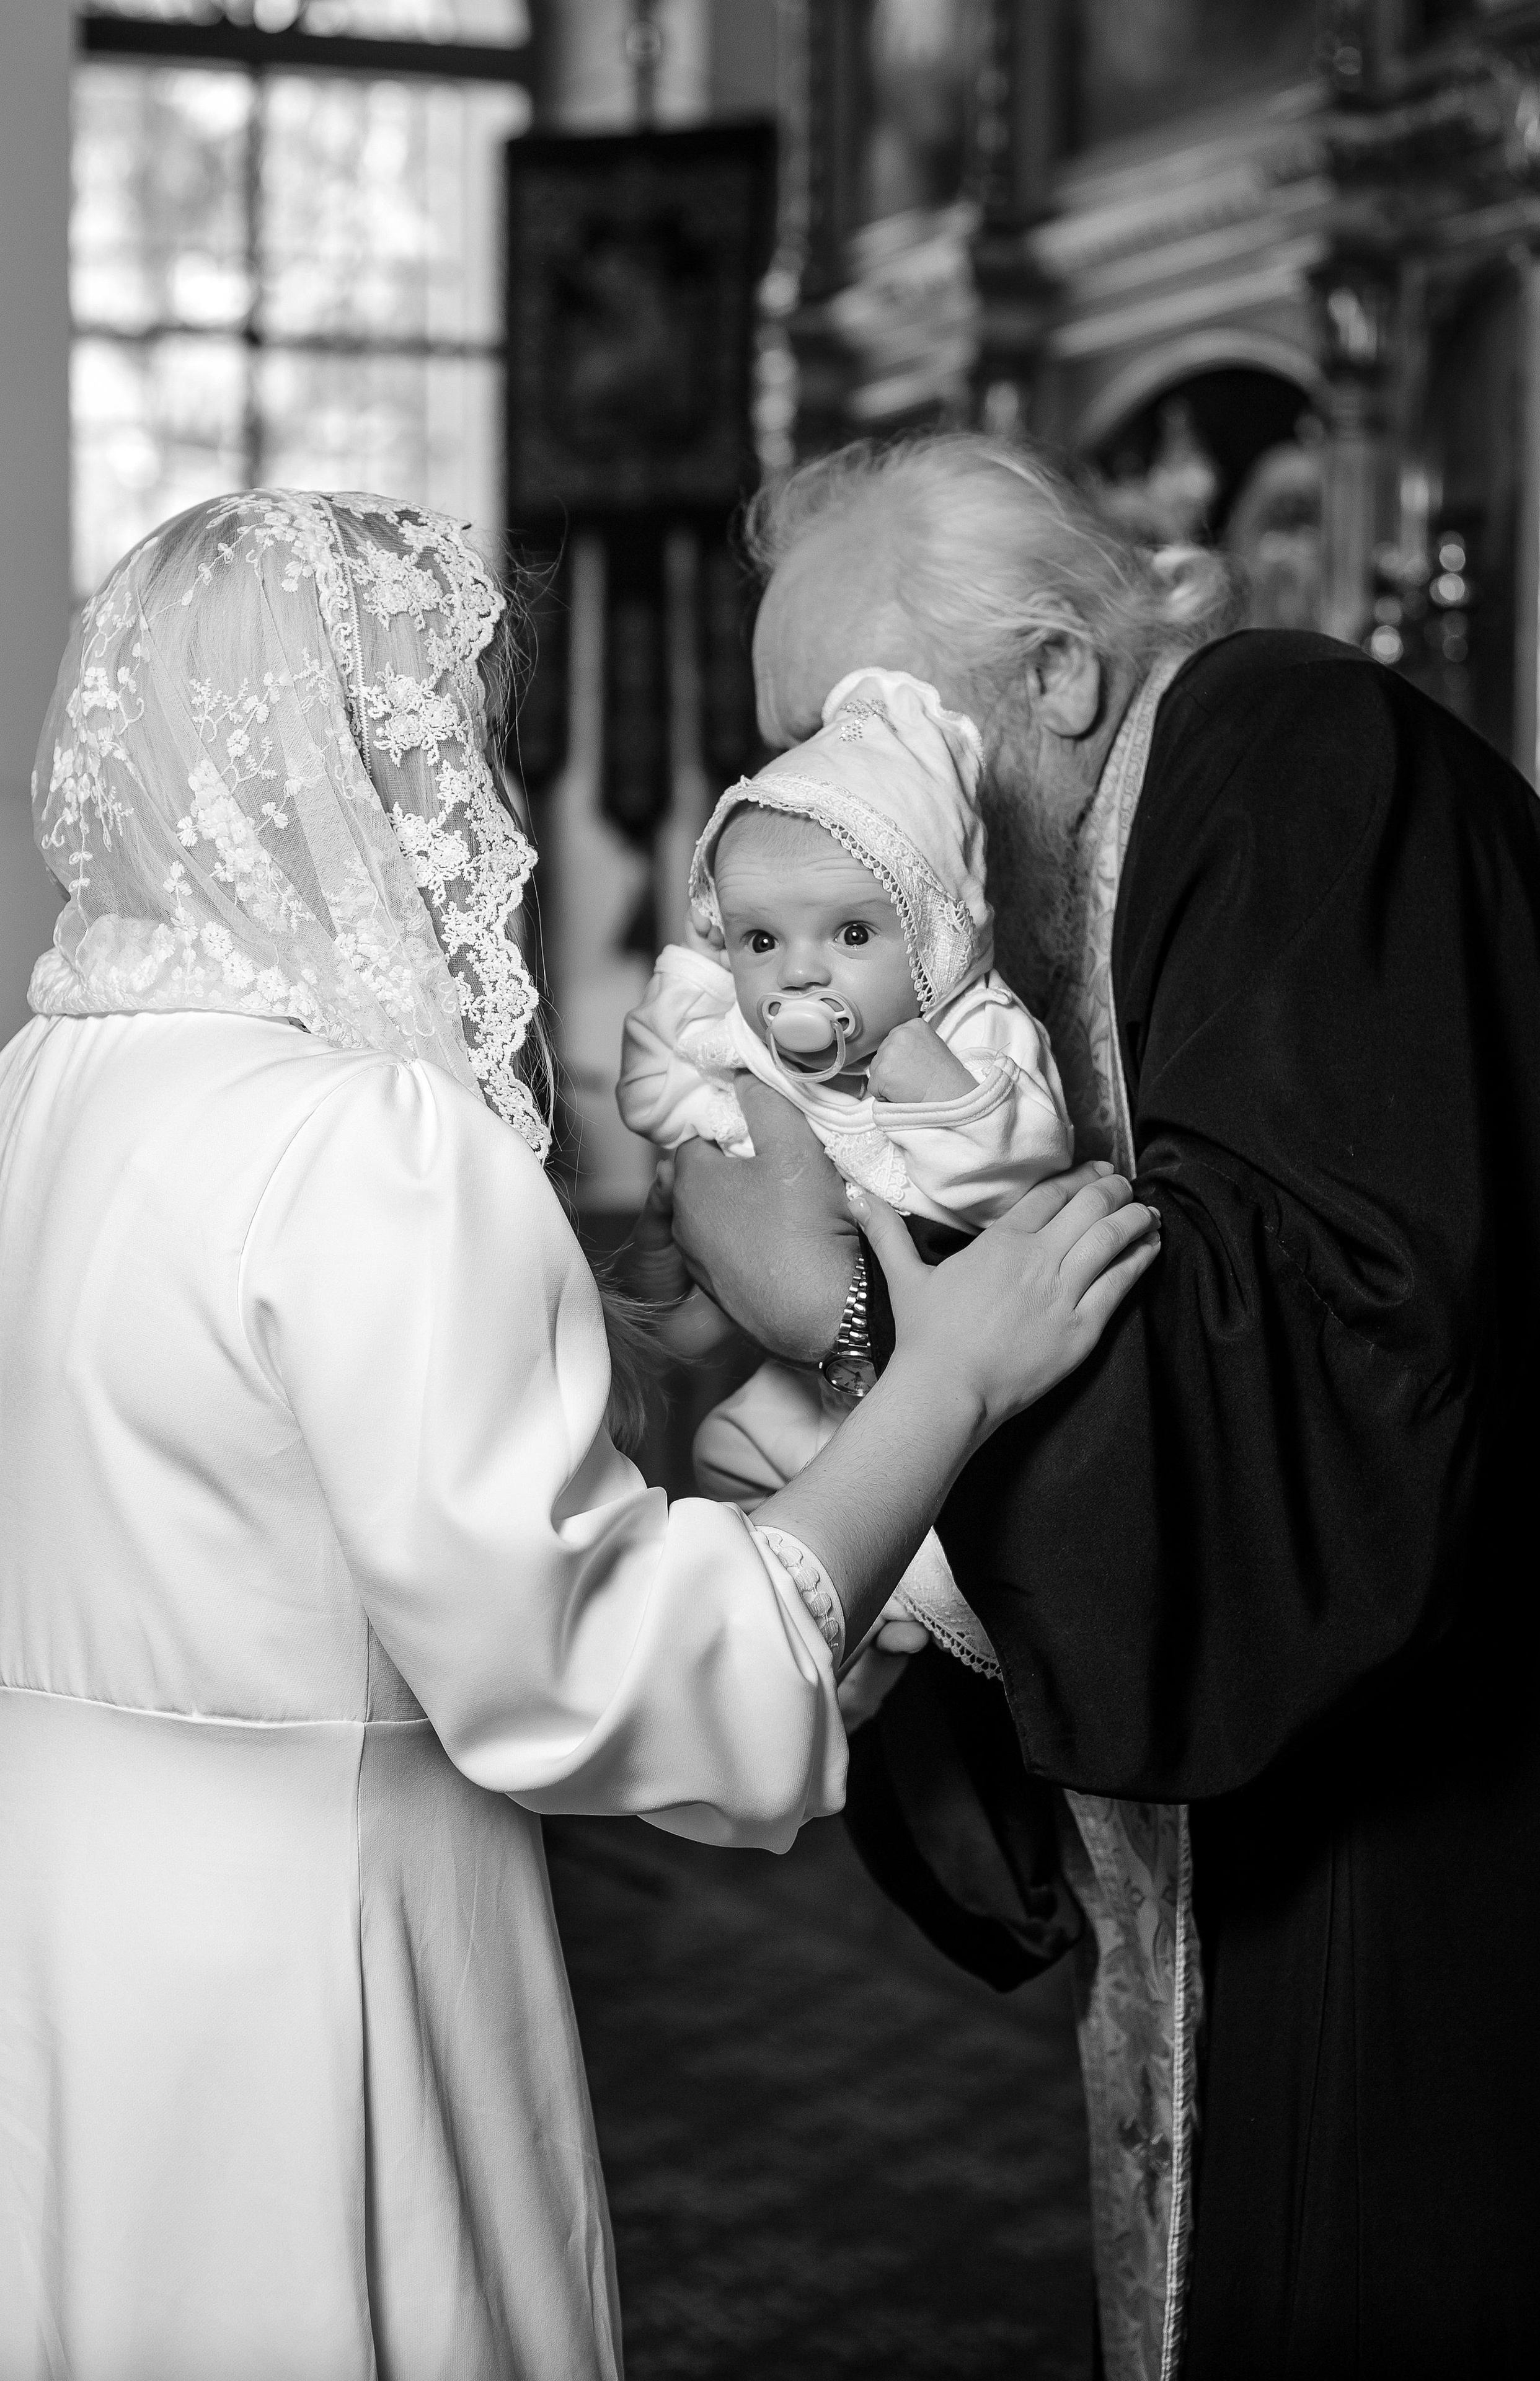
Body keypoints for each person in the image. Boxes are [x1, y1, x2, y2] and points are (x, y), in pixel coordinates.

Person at [0, 488, 1161, 2381]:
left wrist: (636, 1366)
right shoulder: (362, 1141)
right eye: (456, 748)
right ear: (348, 773)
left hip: (55, 1940)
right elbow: (575, 1667)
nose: (498, 818)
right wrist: (945, 1379)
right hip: (318, 1955)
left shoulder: (42, 1090)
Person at [665, 433, 1540, 2379]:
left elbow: (1326, 1376)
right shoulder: (1043, 927)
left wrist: (837, 1311)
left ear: (1059, 678)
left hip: (1464, 1793)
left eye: (865, 734)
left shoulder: (1303, 763)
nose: (825, 814)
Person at [617, 664, 1073, 1671]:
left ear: (935, 937)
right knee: (729, 1454)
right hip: (801, 1380)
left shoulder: (977, 1033)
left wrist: (937, 1093)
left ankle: (906, 1608)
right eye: (760, 938)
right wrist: (708, 1071)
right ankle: (831, 1669)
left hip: (945, 1350)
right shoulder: (747, 1033)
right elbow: (654, 1088)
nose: (799, 973)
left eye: (853, 933)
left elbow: (1019, 1166)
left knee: (947, 1523)